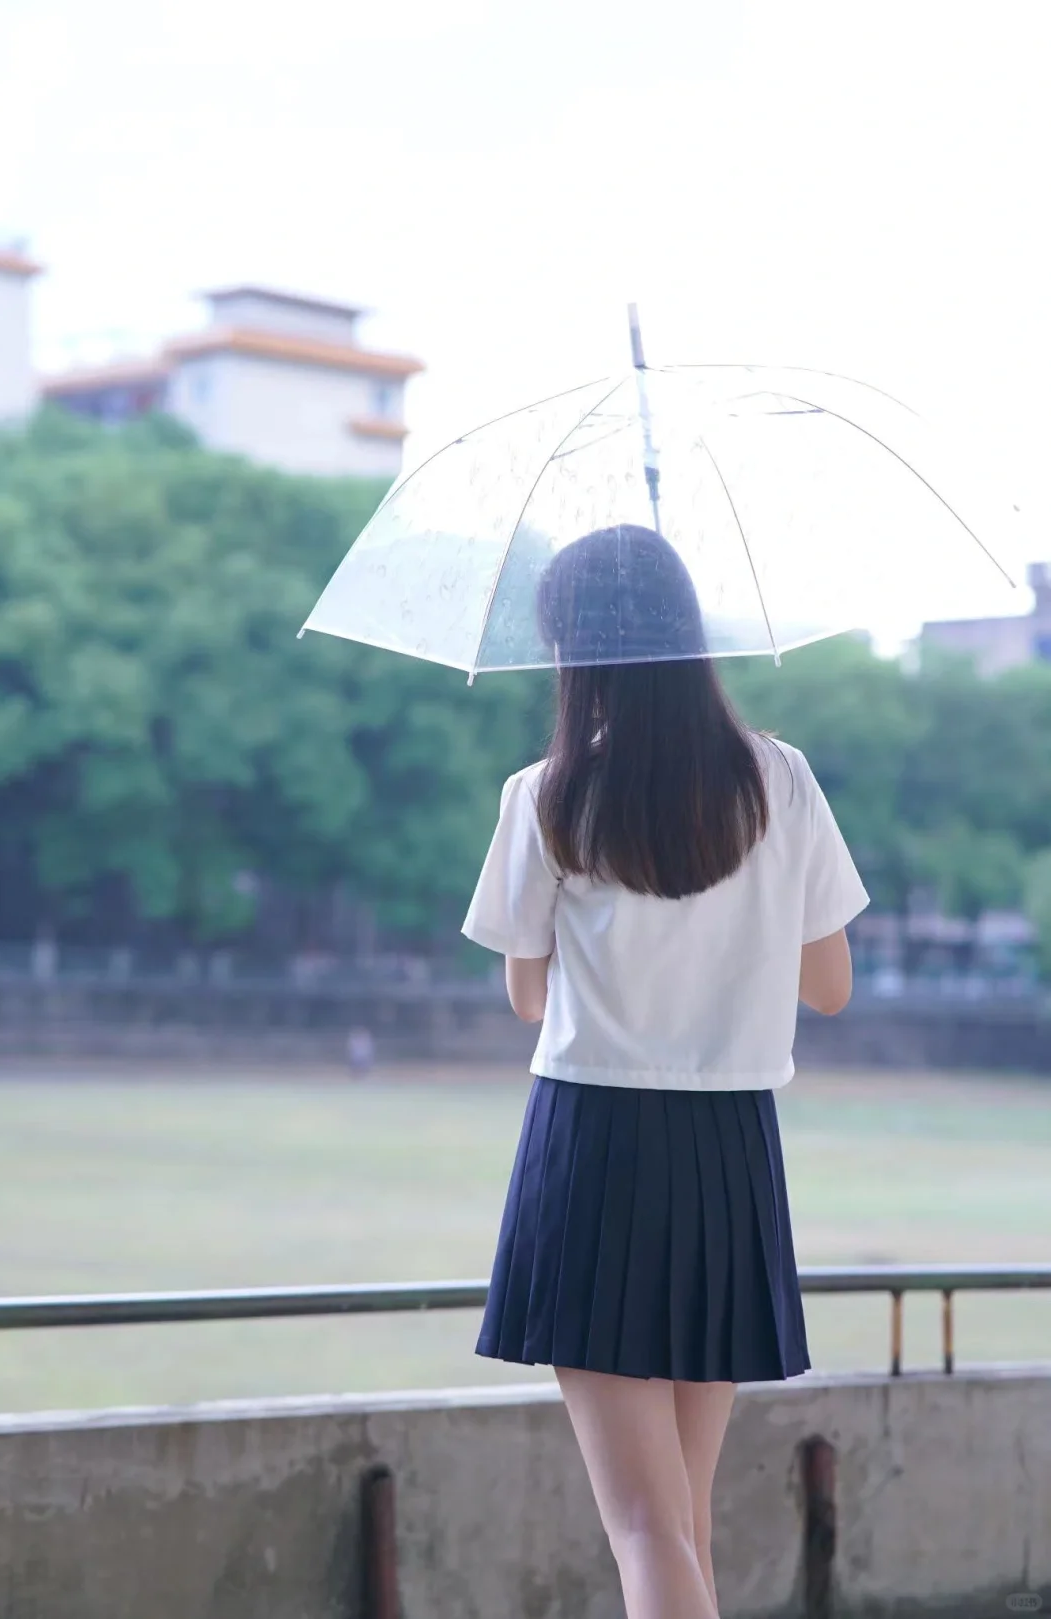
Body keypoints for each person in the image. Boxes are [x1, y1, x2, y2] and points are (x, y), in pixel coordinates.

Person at [461, 524, 869, 1619]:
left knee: (647, 1529)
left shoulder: (546, 793)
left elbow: (526, 993)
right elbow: (828, 984)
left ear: (574, 652)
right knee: (678, 1522)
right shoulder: (778, 778)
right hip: (728, 1152)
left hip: (593, 1145)